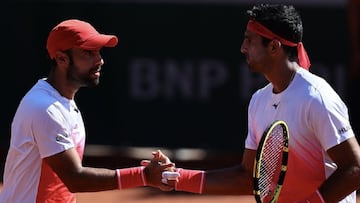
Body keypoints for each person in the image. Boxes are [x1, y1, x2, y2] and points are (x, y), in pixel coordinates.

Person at [150, 4, 360, 203]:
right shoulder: (259, 100)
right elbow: (247, 177)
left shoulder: (316, 98)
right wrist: (177, 176)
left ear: (274, 47)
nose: (243, 48)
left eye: (250, 41)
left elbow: (354, 167)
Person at [0, 19, 174, 203]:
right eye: (88, 53)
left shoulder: (62, 102)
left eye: (98, 52)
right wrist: (143, 176)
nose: (100, 60)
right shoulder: (44, 108)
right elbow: (75, 179)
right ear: (62, 59)